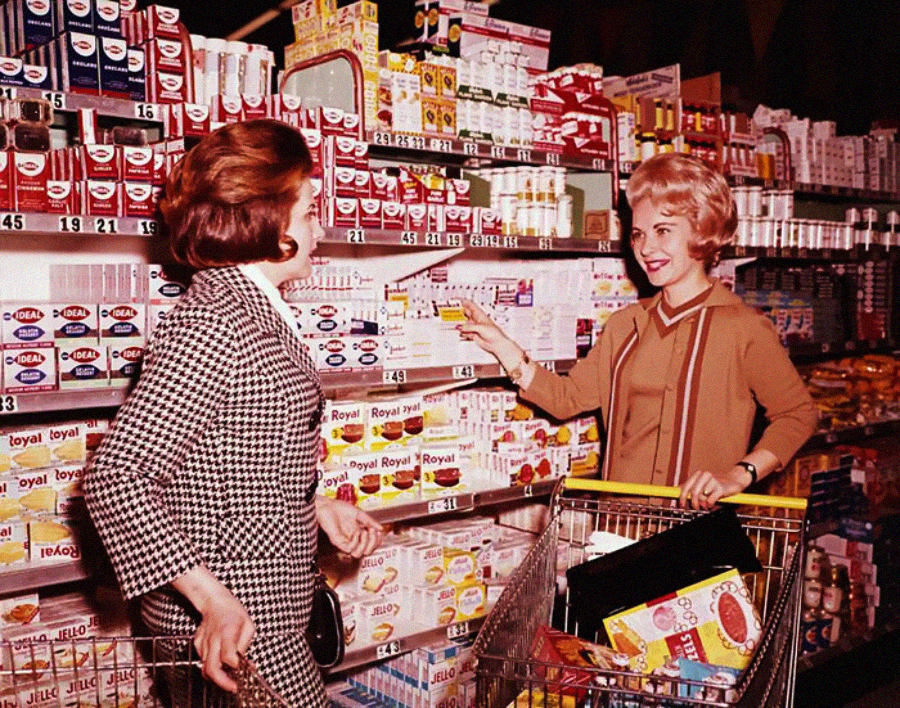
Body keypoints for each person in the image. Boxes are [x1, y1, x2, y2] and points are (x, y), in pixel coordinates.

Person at [84, 119, 384, 707]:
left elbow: (226, 450)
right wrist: (212, 600)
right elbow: (116, 481)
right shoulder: (212, 321)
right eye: (308, 211)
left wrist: (311, 508)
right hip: (240, 623)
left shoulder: (250, 308)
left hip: (262, 604)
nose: (319, 226)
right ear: (269, 222)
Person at [461, 152, 818, 509]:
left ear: (703, 229)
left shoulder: (743, 328)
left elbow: (798, 414)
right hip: (622, 528)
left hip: (701, 537)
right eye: (638, 234)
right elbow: (565, 398)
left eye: (663, 231)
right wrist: (503, 347)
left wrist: (740, 474)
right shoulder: (625, 326)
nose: (646, 248)